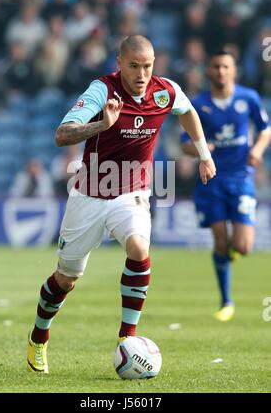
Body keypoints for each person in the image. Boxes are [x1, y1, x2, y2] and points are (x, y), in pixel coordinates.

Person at [27, 34, 216, 373]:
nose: (141, 73)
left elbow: (187, 113)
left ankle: (126, 338)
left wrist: (203, 155)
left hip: (132, 194)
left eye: (147, 65)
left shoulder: (165, 91)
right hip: (88, 196)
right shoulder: (102, 90)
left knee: (139, 248)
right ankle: (39, 337)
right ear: (119, 63)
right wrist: (102, 124)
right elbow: (61, 134)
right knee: (66, 278)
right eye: (133, 66)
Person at [181, 50, 271, 322]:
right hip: (212, 179)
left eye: (225, 66)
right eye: (216, 66)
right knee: (220, 239)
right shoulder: (198, 103)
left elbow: (266, 129)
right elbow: (185, 143)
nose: (221, 71)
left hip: (242, 177)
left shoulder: (249, 98)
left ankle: (229, 255)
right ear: (209, 70)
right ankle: (226, 301)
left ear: (234, 71)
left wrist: (257, 150)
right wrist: (199, 149)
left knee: (243, 246)